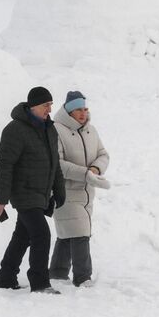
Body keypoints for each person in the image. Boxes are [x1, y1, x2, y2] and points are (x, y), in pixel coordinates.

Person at [0, 87, 65, 293]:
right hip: (24, 192)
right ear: (33, 106)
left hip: (40, 193)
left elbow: (55, 163)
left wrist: (59, 190)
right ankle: (40, 282)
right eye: (45, 105)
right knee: (41, 234)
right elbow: (4, 165)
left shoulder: (49, 128)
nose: (49, 109)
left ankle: (6, 278)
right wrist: (1, 199)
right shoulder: (15, 130)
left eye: (51, 105)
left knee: (22, 236)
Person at [50, 91, 109, 288]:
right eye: (78, 110)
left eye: (85, 109)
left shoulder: (91, 130)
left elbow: (103, 154)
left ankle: (57, 272)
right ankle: (83, 277)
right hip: (64, 190)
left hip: (86, 193)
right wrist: (85, 173)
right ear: (68, 111)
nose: (83, 113)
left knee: (69, 232)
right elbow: (57, 164)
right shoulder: (56, 130)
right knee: (80, 232)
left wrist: (95, 169)